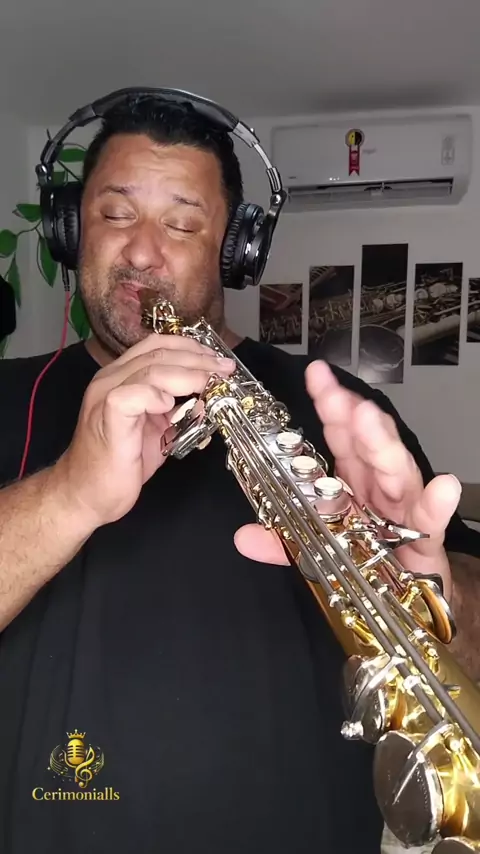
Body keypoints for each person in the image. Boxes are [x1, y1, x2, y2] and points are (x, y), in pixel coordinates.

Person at [0, 92, 479, 854]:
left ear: (234, 252)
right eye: (115, 214)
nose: (143, 252)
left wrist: (432, 590)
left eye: (182, 224)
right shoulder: (7, 394)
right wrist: (69, 493)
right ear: (71, 229)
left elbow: (469, 632)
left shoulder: (336, 406)